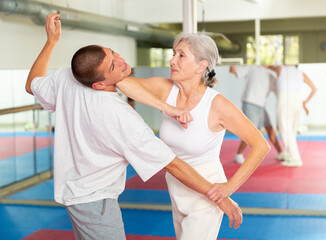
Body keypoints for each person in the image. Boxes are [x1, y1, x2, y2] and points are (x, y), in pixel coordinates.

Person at [25, 14, 242, 240]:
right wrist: (221, 197)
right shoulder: (122, 118)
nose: (121, 61)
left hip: (73, 197)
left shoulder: (67, 77)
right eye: (113, 65)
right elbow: (174, 165)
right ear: (99, 84)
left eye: (113, 53)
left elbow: (32, 84)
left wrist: (51, 42)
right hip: (97, 202)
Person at [118, 33, 270, 240]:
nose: (172, 60)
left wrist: (228, 188)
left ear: (201, 66)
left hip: (207, 194)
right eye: (174, 54)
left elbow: (261, 145)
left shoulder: (216, 105)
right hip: (176, 186)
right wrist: (167, 108)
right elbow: (122, 83)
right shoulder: (166, 90)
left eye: (181, 55)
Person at [229, 65, 283, 164]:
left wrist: (278, 71)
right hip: (250, 102)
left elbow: (280, 89)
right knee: (251, 131)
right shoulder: (252, 67)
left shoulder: (271, 76)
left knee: (270, 128)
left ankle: (281, 152)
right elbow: (233, 70)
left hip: (261, 105)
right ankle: (239, 154)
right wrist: (233, 63)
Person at [269, 65, 317, 167]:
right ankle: (287, 153)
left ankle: (295, 158)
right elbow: (314, 89)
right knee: (292, 130)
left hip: (284, 100)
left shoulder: (280, 68)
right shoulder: (300, 73)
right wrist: (304, 103)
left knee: (286, 130)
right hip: (297, 101)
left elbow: (266, 66)